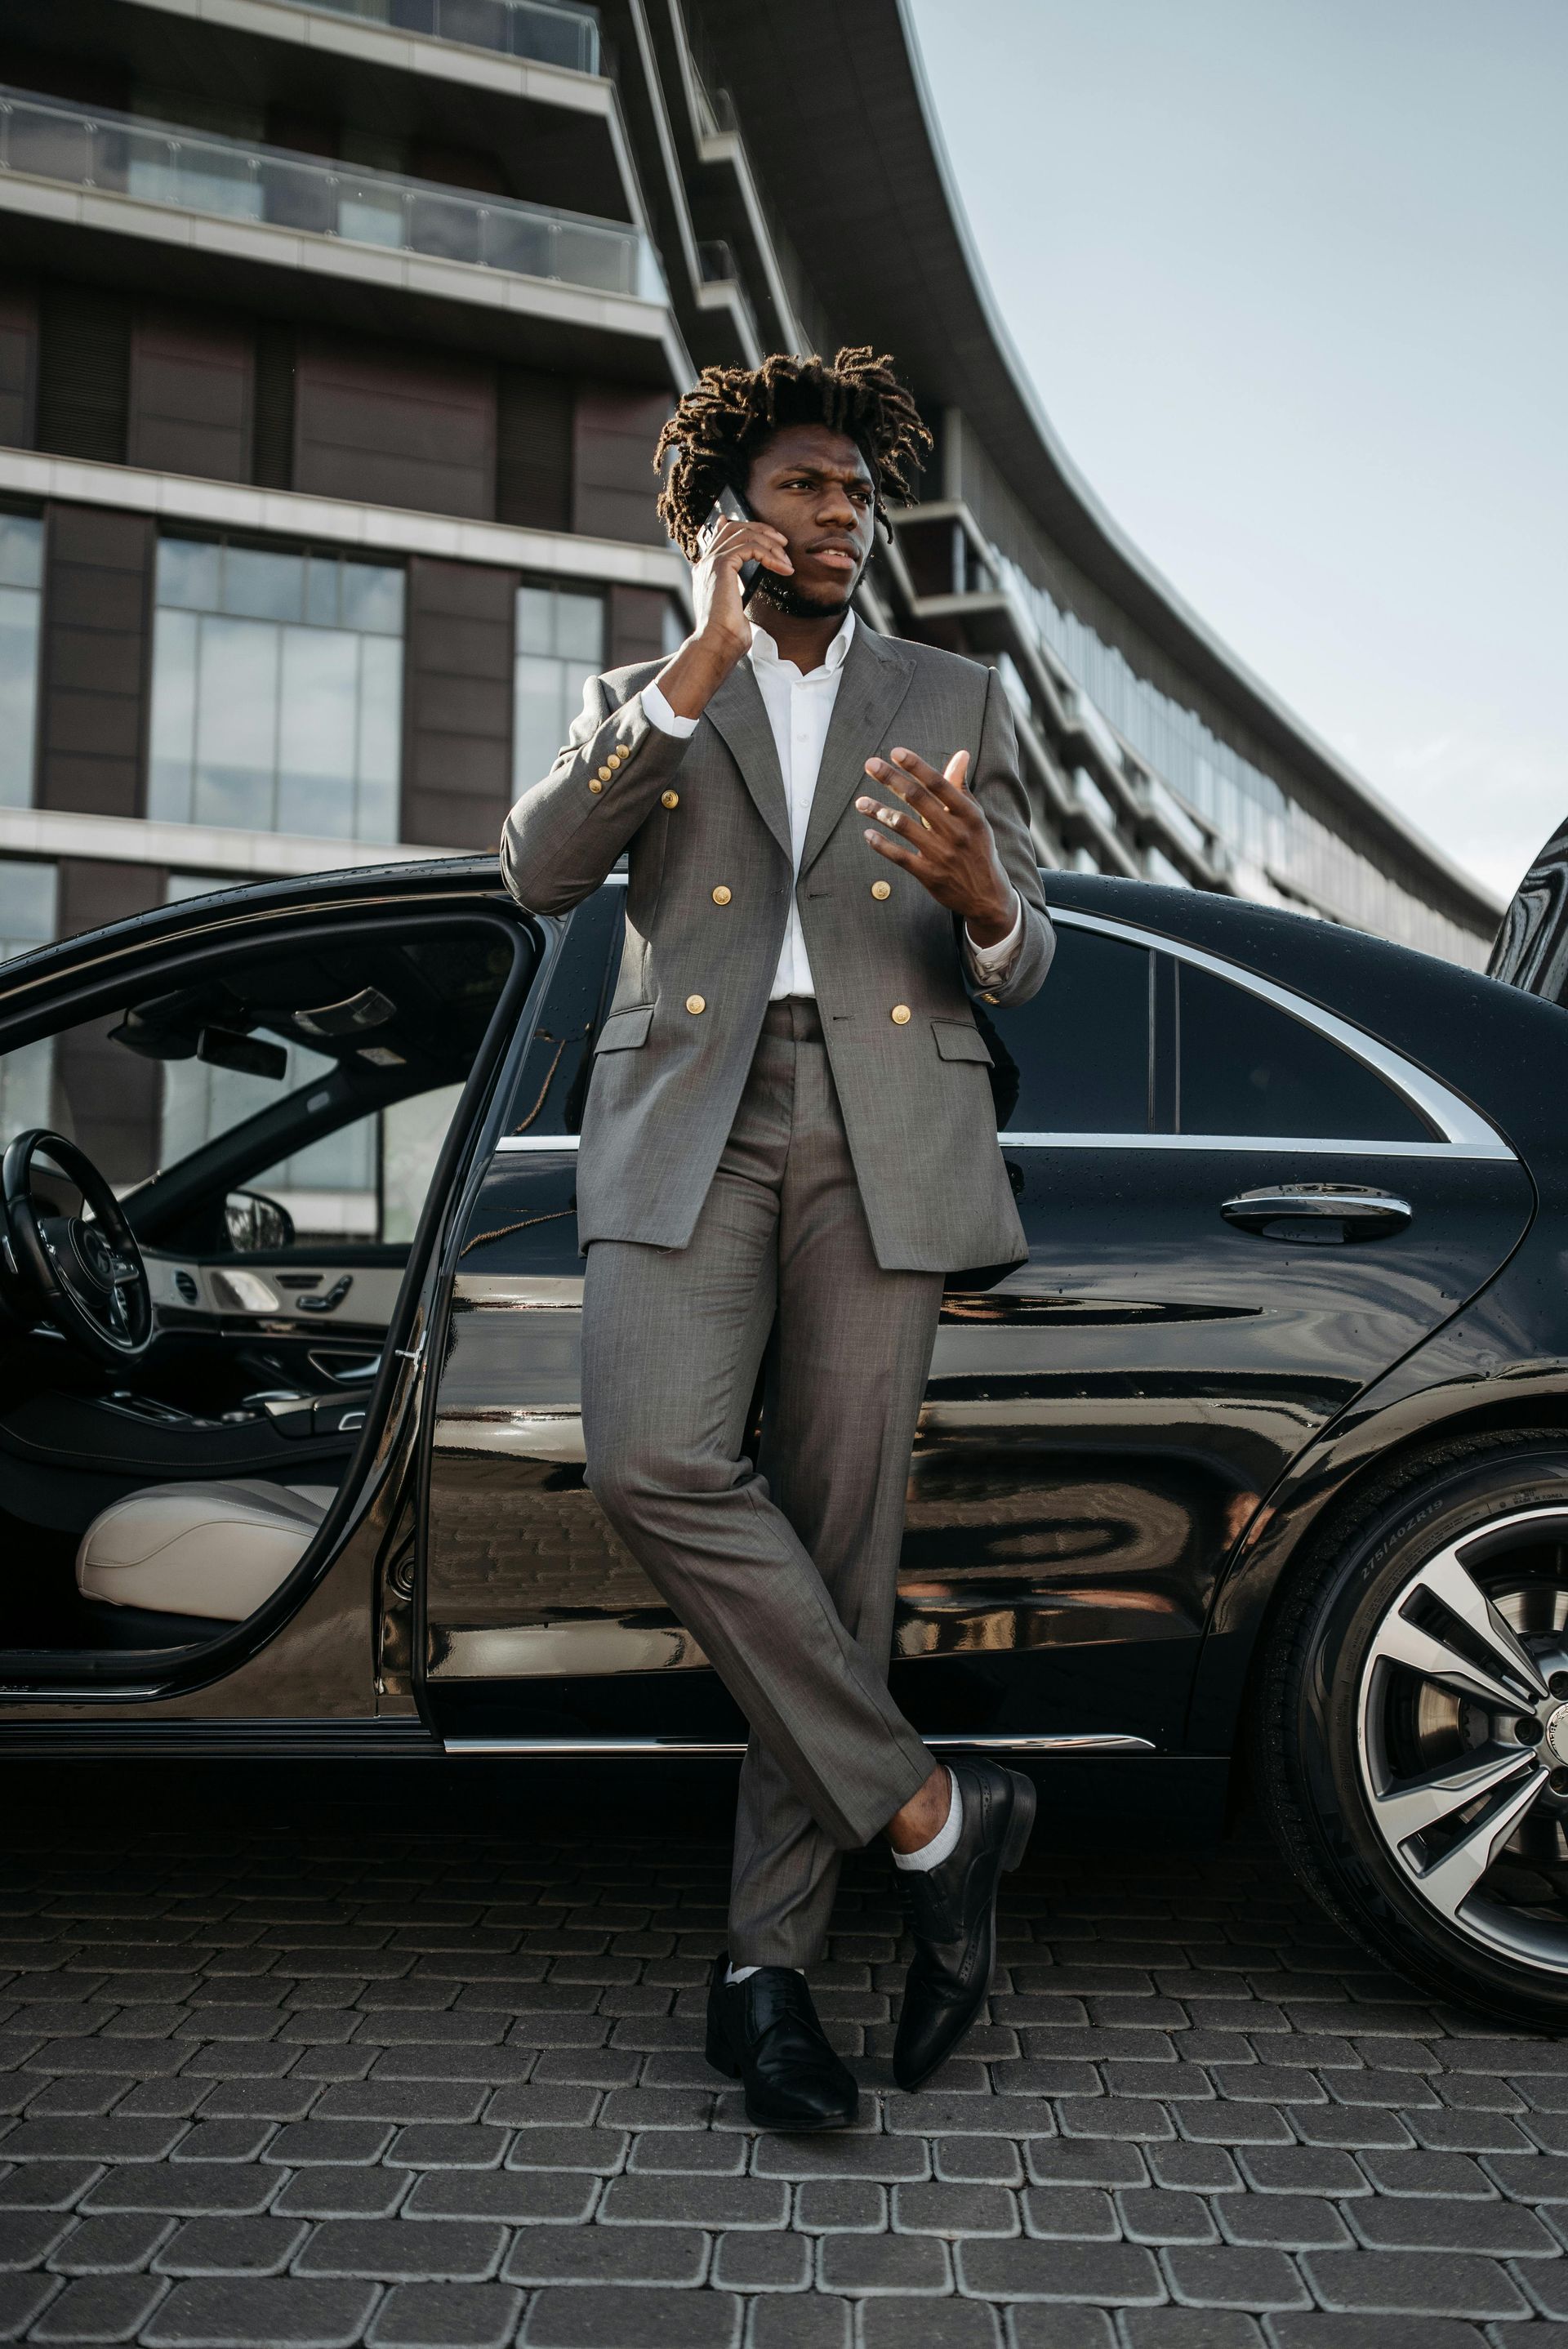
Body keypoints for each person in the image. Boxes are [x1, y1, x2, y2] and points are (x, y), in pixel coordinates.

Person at [501, 347, 1054, 2128]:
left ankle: (768, 1976)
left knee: (838, 1550)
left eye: (853, 490)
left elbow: (1028, 941)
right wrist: (696, 666)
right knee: (652, 1453)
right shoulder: (656, 690)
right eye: (810, 488)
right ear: (732, 516)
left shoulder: (948, 687)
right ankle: (936, 1814)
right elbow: (535, 867)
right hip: (696, 1118)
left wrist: (983, 901)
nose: (845, 515)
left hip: (886, 1123)